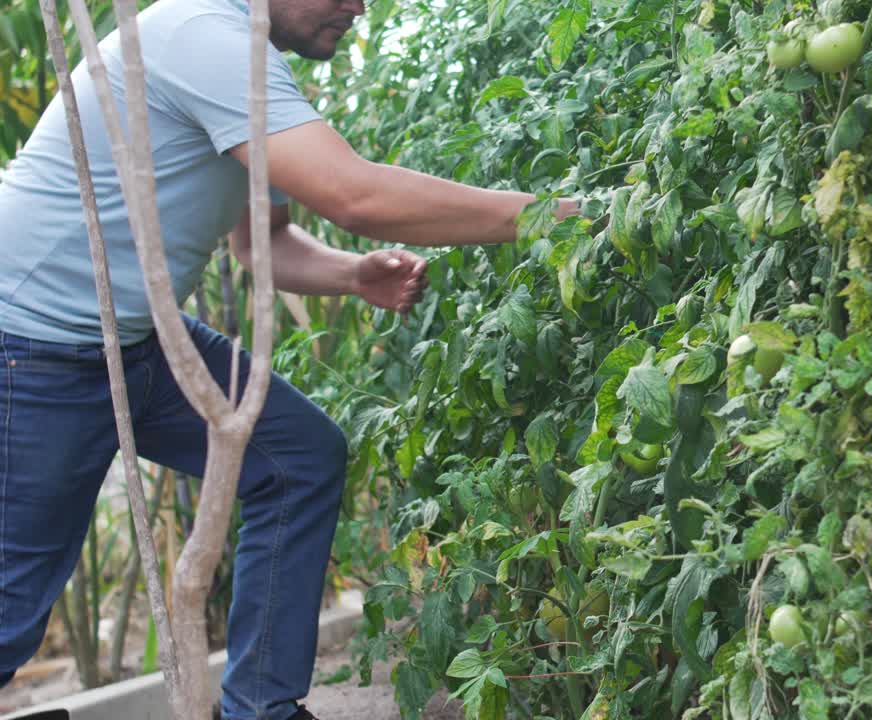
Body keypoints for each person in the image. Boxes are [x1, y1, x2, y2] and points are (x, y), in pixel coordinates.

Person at [0, 0, 580, 718]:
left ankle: (259, 710)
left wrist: (353, 274)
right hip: (33, 346)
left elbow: (261, 243)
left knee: (297, 457)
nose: (359, 7)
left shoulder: (250, 61)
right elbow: (354, 194)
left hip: (139, 340)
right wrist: (562, 216)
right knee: (10, 603)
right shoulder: (200, 37)